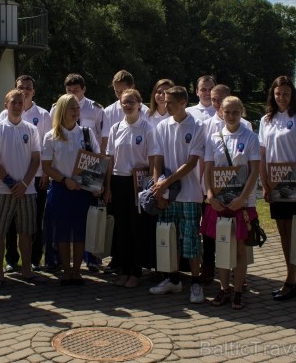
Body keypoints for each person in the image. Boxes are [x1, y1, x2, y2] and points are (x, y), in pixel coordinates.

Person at [202, 96, 260, 310]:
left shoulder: (251, 137)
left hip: (241, 203)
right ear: (221, 112)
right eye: (228, 112)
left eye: (236, 111)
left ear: (242, 112)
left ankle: (237, 292)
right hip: (218, 202)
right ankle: (224, 289)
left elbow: (255, 171)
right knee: (222, 246)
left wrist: (243, 198)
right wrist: (209, 195)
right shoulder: (213, 138)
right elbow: (208, 169)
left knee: (240, 249)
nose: (232, 115)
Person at [150, 86, 207, 303]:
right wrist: (157, 186)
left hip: (190, 193)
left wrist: (167, 183)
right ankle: (172, 280)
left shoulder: (198, 126)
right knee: (169, 236)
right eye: (164, 102)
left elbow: (192, 163)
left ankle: (195, 283)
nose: (166, 106)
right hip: (167, 194)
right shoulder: (162, 126)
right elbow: (157, 159)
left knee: (191, 239)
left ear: (183, 102)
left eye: (170, 102)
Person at [259, 76, 296, 301]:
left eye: (286, 94)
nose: (282, 98)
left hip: (295, 184)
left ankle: (290, 280)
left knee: (294, 232)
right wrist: (265, 184)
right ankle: (292, 276)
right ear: (273, 94)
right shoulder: (266, 120)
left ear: (293, 96)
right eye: (278, 94)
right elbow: (262, 155)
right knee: (282, 231)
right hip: (275, 184)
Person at [42, 94, 101, 285]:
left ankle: (77, 270)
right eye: (72, 109)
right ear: (62, 111)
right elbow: (46, 166)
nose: (76, 112)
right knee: (63, 231)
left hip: (82, 190)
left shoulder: (86, 133)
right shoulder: (51, 136)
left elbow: (96, 160)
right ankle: (66, 270)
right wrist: (64, 180)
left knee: (80, 231)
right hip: (61, 189)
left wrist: (94, 185)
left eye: (78, 108)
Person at [0, 89, 43, 289]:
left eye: (21, 102)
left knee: (26, 232)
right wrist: (11, 183)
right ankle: (0, 274)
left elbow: (36, 159)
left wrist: (25, 183)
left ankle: (27, 270)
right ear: (6, 105)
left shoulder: (32, 129)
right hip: (4, 190)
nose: (18, 106)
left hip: (27, 191)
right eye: (14, 103)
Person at [198, 84, 252, 285]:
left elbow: (251, 166)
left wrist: (245, 195)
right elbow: (206, 163)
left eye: (220, 99)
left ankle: (238, 278)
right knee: (214, 236)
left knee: (239, 238)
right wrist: (208, 191)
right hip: (216, 191)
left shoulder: (246, 127)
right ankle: (211, 270)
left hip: (239, 193)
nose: (217, 104)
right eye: (214, 100)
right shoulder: (207, 125)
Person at [104, 89, 157, 288]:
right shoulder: (115, 128)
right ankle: (124, 270)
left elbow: (152, 160)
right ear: (120, 104)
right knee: (121, 228)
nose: (128, 105)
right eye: (124, 102)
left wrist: (149, 187)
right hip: (118, 182)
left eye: (132, 101)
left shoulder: (147, 128)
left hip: (137, 184)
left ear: (139, 103)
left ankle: (136, 272)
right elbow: (110, 159)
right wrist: (107, 187)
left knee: (136, 228)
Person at [0, 75, 52, 273]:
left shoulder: (44, 114)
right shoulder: (5, 114)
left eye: (28, 87)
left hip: (37, 175)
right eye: (21, 87)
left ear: (34, 91)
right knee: (11, 221)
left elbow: (46, 146)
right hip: (13, 176)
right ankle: (12, 259)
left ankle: (34, 259)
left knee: (34, 220)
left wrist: (46, 173)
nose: (25, 90)